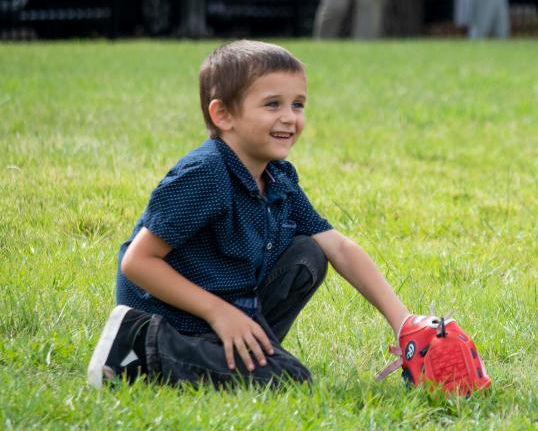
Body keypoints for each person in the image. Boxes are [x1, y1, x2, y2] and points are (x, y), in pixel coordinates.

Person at [87, 40, 411, 387]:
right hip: (172, 318)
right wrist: (219, 312)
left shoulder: (278, 176)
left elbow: (337, 247)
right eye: (272, 104)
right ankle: (139, 348)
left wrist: (405, 322)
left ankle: (248, 352)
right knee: (291, 380)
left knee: (308, 254)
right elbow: (137, 262)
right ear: (223, 114)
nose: (289, 117)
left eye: (298, 104)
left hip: (227, 311)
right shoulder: (206, 174)